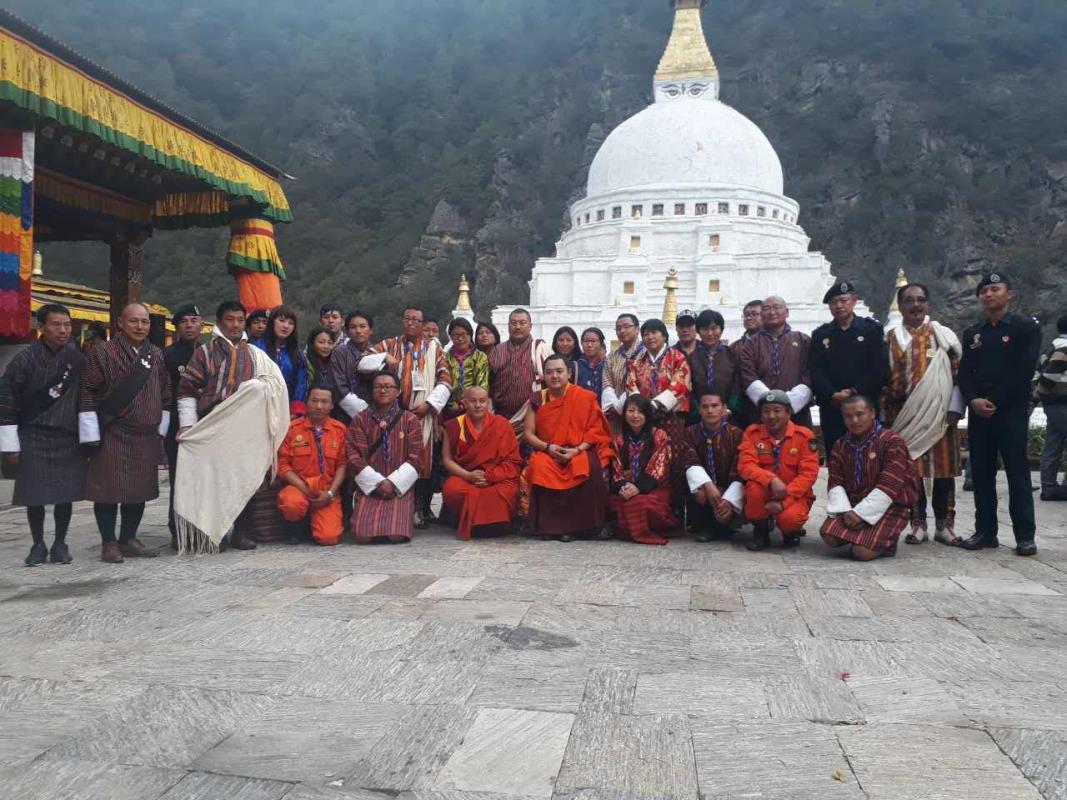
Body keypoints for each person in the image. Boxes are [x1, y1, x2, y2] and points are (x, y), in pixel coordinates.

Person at [79, 302, 170, 563]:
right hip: (112, 431)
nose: (140, 326)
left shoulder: (156, 354)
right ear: (120, 323)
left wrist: (161, 428)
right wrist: (90, 432)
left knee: (138, 489)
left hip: (145, 435)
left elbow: (166, 392)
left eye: (144, 322)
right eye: (134, 321)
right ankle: (109, 542)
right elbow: (88, 390)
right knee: (107, 489)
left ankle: (128, 538)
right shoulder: (103, 352)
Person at [959, 273, 1041, 556]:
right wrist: (972, 400)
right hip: (979, 413)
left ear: (1009, 294)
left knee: (1017, 473)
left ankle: (1025, 535)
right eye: (984, 290)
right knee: (981, 473)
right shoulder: (973, 333)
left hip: (1011, 412)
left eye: (995, 289)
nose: (989, 294)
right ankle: (985, 531)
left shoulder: (1024, 328)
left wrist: (991, 400)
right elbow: (964, 372)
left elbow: (1024, 370)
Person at [0, 304, 86, 566]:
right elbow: (6, 401)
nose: (62, 330)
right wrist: (10, 445)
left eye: (67, 325)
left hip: (67, 435)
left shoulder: (77, 360)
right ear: (41, 327)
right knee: (33, 494)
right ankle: (38, 543)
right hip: (34, 434)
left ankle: (61, 542)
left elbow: (87, 398)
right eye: (56, 324)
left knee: (65, 493)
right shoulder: (24, 360)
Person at [883, 283, 965, 545]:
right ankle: (917, 524)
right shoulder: (891, 338)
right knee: (911, 471)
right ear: (901, 305)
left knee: (943, 472)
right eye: (909, 300)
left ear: (927, 304)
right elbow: (883, 380)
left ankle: (945, 525)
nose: (915, 305)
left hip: (940, 416)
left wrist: (955, 409)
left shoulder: (943, 336)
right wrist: (884, 418)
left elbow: (959, 376)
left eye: (920, 300)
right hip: (903, 416)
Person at [176, 300, 260, 551]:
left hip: (245, 425)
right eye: (230, 320)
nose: (235, 325)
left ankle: (242, 531)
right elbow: (187, 389)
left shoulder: (255, 355)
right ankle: (215, 532)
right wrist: (188, 425)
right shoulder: (204, 352)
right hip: (211, 423)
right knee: (213, 481)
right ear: (220, 322)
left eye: (240, 320)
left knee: (244, 479)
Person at [374, 306, 451, 527]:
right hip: (393, 415)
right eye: (407, 318)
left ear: (422, 324)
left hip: (423, 415)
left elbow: (446, 380)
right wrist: (384, 357)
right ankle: (395, 508)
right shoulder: (390, 344)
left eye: (416, 320)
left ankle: (419, 508)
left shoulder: (434, 350)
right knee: (395, 461)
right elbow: (363, 361)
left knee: (421, 463)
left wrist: (429, 405)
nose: (410, 323)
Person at [523, 355, 614, 541]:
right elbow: (529, 434)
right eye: (549, 372)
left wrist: (578, 449)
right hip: (549, 450)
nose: (554, 376)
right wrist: (548, 448)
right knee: (540, 466)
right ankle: (551, 528)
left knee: (587, 466)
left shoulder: (584, 397)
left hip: (578, 449)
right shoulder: (537, 399)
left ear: (569, 373)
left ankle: (586, 527)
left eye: (559, 371)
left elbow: (596, 430)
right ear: (543, 376)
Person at [821, 395, 920, 560]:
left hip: (892, 505)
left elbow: (890, 484)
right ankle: (868, 536)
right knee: (829, 536)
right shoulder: (841, 445)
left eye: (860, 414)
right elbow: (835, 482)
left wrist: (862, 514)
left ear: (872, 413)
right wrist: (847, 511)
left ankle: (885, 541)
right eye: (848, 416)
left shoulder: (892, 441)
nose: (854, 420)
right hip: (853, 504)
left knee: (862, 552)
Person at [809, 281, 888, 453]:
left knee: (870, 453)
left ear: (853, 301)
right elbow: (816, 371)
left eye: (843, 300)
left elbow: (878, 368)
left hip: (864, 404)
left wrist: (853, 391)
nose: (839, 306)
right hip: (833, 407)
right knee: (837, 453)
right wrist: (832, 394)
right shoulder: (821, 335)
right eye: (834, 302)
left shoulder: (871, 330)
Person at [737, 389, 819, 551]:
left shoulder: (804, 436)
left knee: (790, 520)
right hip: (765, 490)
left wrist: (784, 501)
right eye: (766, 411)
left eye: (777, 410)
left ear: (788, 413)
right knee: (753, 488)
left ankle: (790, 531)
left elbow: (808, 475)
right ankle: (760, 530)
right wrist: (771, 480)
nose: (771, 416)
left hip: (793, 494)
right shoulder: (752, 433)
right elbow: (745, 465)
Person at [347, 371, 424, 543]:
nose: (383, 390)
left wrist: (392, 483)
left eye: (388, 387)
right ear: (371, 391)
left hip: (398, 488)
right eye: (378, 387)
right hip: (371, 487)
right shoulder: (360, 419)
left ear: (398, 392)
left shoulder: (410, 420)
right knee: (363, 537)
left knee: (396, 536)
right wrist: (377, 482)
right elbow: (354, 456)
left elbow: (416, 458)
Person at [624, 318, 692, 512]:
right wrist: (642, 408)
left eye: (655, 332)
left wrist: (653, 405)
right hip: (644, 420)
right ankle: (648, 505)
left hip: (671, 418)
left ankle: (676, 509)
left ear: (664, 335)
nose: (650, 337)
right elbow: (631, 385)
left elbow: (681, 384)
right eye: (646, 333)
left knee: (675, 460)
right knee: (648, 458)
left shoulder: (677, 357)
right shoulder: (637, 361)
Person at [441, 386, 522, 539]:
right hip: (466, 478)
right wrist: (469, 476)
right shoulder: (454, 425)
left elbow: (513, 461)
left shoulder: (502, 424)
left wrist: (490, 476)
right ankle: (479, 523)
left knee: (508, 490)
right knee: (452, 489)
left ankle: (487, 524)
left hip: (495, 478)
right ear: (464, 402)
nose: (478, 405)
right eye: (473, 401)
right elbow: (447, 459)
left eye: (482, 401)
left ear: (488, 403)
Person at [277, 385, 347, 545]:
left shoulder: (340, 430)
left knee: (328, 538)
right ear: (306, 402)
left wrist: (330, 493)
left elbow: (343, 465)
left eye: (324, 402)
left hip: (327, 490)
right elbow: (283, 465)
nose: (319, 406)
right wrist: (305, 488)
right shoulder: (291, 429)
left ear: (332, 405)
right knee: (291, 503)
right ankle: (297, 527)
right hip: (299, 487)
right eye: (314, 401)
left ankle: (318, 524)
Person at [606, 394, 680, 545]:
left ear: (647, 414)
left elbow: (658, 467)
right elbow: (616, 468)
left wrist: (638, 487)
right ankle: (632, 527)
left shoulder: (659, 436)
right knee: (611, 503)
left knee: (641, 504)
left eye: (640, 412)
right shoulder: (619, 439)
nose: (635, 416)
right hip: (627, 489)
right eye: (631, 411)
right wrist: (622, 487)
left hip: (653, 489)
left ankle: (635, 530)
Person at [680, 390, 745, 542]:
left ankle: (726, 523)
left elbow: (740, 468)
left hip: (729, 487)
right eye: (705, 406)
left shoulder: (737, 434)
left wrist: (728, 500)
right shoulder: (689, 432)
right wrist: (708, 485)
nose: (710, 411)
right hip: (704, 489)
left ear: (724, 408)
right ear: (699, 409)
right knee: (701, 493)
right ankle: (705, 525)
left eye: (715, 406)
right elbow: (690, 461)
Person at [739, 296, 813, 428]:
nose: (772, 312)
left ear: (787, 312)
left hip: (796, 412)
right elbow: (747, 376)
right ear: (762, 314)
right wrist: (769, 403)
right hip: (762, 414)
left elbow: (811, 374)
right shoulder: (751, 344)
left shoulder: (803, 340)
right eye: (766, 308)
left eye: (776, 307)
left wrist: (789, 402)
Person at [163, 303, 202, 548]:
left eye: (194, 320)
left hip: (206, 425)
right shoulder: (167, 356)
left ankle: (200, 528)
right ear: (176, 326)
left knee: (202, 480)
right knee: (180, 479)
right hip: (178, 425)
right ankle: (177, 531)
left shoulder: (208, 352)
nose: (190, 325)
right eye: (184, 321)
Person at [488, 308, 553, 433]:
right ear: (508, 326)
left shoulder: (541, 349)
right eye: (514, 323)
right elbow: (488, 384)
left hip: (534, 418)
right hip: (501, 419)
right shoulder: (496, 351)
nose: (518, 327)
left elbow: (554, 383)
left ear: (530, 326)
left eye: (522, 323)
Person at [330, 310, 390, 425]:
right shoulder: (340, 352)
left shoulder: (378, 353)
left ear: (371, 330)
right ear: (347, 331)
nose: (358, 331)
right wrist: (366, 413)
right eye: (353, 327)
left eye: (362, 326)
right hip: (345, 415)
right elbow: (339, 388)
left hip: (377, 414)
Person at [252, 305, 308, 416]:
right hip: (258, 407)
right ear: (272, 322)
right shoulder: (255, 348)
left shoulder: (297, 354)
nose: (286, 326)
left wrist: (296, 410)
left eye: (291, 323)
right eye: (281, 320)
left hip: (285, 409)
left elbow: (300, 384)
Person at [687, 309, 741, 424]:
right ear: (698, 331)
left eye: (714, 328)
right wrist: (700, 410)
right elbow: (688, 389)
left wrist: (728, 409)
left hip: (728, 417)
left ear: (721, 330)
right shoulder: (691, 358)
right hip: (698, 417)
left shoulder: (732, 355)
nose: (710, 333)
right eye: (705, 329)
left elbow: (738, 385)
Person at [1034, 314, 1067, 501]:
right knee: (1055, 444)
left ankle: (1049, 487)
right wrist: (1041, 391)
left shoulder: (1052, 345)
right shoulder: (1064, 347)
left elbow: (1041, 372)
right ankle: (1053, 488)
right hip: (1061, 401)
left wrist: (1039, 395)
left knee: (1053, 444)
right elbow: (1051, 375)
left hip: (1053, 403)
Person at [443, 318, 490, 421]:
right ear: (450, 336)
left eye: (464, 335)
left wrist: (462, 405)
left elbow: (482, 386)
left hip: (474, 410)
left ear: (470, 335)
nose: (460, 339)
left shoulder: (480, 357)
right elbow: (441, 384)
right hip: (448, 411)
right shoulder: (444, 358)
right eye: (456, 335)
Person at [602, 313, 644, 422]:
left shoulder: (646, 353)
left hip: (643, 411)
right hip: (618, 413)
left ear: (637, 329)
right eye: (618, 328)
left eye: (626, 326)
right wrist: (615, 407)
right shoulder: (611, 357)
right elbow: (608, 384)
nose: (622, 331)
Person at [574, 327, 607, 397]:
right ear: (581, 344)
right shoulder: (575, 366)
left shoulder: (609, 365)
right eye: (586, 341)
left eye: (593, 341)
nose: (589, 345)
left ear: (601, 344)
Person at [305, 325, 336, 390]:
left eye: (330, 343)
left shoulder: (336, 363)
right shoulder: (304, 363)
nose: (326, 346)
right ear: (312, 343)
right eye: (321, 342)